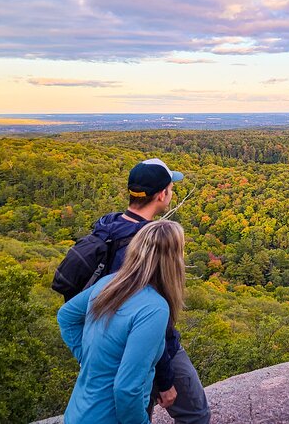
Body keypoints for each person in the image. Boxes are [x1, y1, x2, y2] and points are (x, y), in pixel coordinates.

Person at [82, 158, 210, 423]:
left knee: (140, 409)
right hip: (150, 348)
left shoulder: (109, 226)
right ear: (162, 194)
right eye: (171, 188)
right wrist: (165, 380)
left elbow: (69, 312)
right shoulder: (147, 246)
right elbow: (153, 322)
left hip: (105, 341)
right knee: (196, 414)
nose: (171, 193)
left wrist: (85, 353)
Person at [58, 220, 186, 423]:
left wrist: (88, 359)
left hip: (78, 412)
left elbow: (66, 316)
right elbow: (127, 388)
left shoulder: (109, 283)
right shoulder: (154, 308)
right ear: (173, 260)